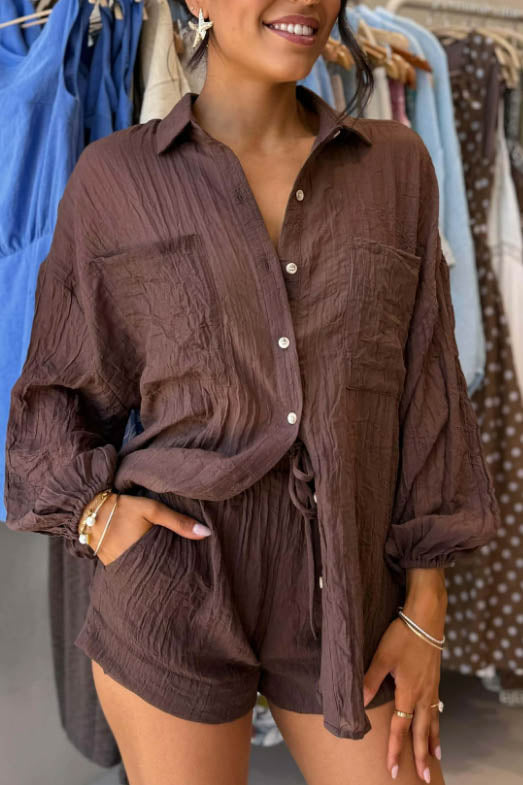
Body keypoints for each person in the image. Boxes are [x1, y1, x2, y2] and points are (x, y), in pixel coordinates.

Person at [4, 1, 501, 784]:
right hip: (177, 585)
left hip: (352, 591)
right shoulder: (117, 178)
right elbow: (55, 391)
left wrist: (425, 604)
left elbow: (427, 391)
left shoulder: (395, 167)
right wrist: (99, 519)